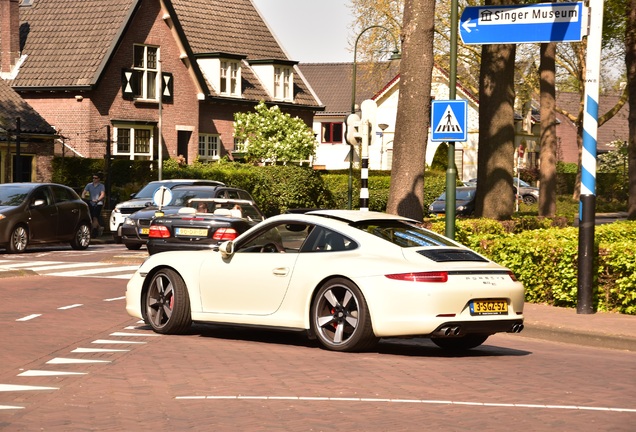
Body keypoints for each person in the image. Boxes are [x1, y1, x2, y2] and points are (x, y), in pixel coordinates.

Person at [83, 173, 106, 237]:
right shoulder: (89, 185)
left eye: (95, 178)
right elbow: (84, 192)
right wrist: (83, 198)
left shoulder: (101, 186)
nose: (94, 179)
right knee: (92, 217)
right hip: (90, 203)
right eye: (93, 178)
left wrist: (98, 200)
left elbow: (102, 194)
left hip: (98, 204)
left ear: (99, 179)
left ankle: (94, 231)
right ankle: (99, 227)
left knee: (95, 217)